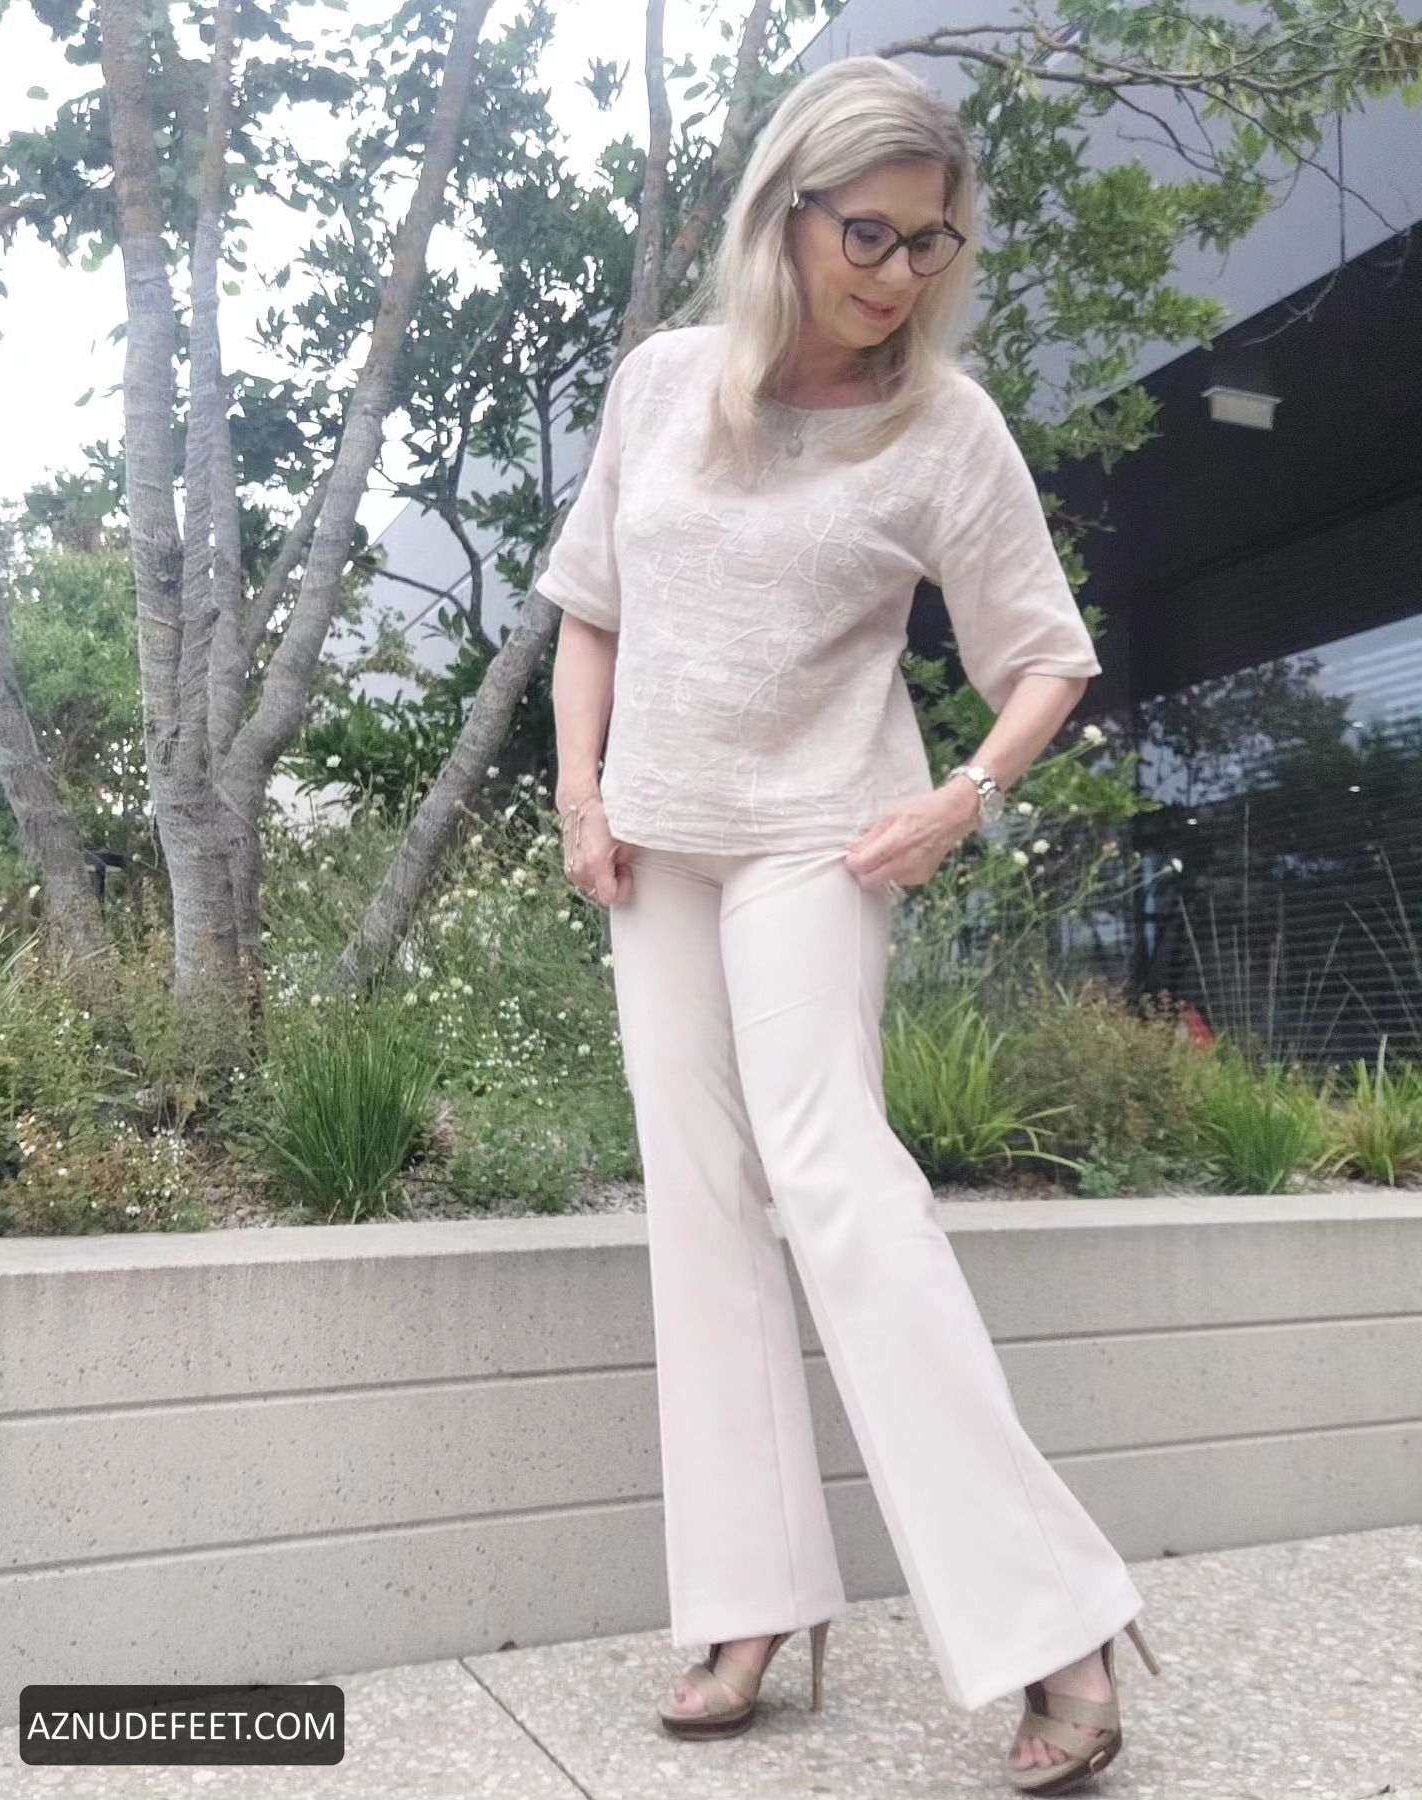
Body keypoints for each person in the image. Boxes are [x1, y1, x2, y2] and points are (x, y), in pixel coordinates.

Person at [541, 52, 1160, 1797]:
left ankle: (1058, 1621)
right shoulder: (663, 385)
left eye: (931, 243)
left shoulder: (943, 428)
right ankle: (749, 1604)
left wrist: (963, 798)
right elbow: (592, 607)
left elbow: (1045, 655)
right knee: (698, 1205)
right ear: (786, 214)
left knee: (835, 1181)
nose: (898, 274)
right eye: (869, 234)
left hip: (824, 838)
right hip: (655, 845)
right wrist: (582, 791)